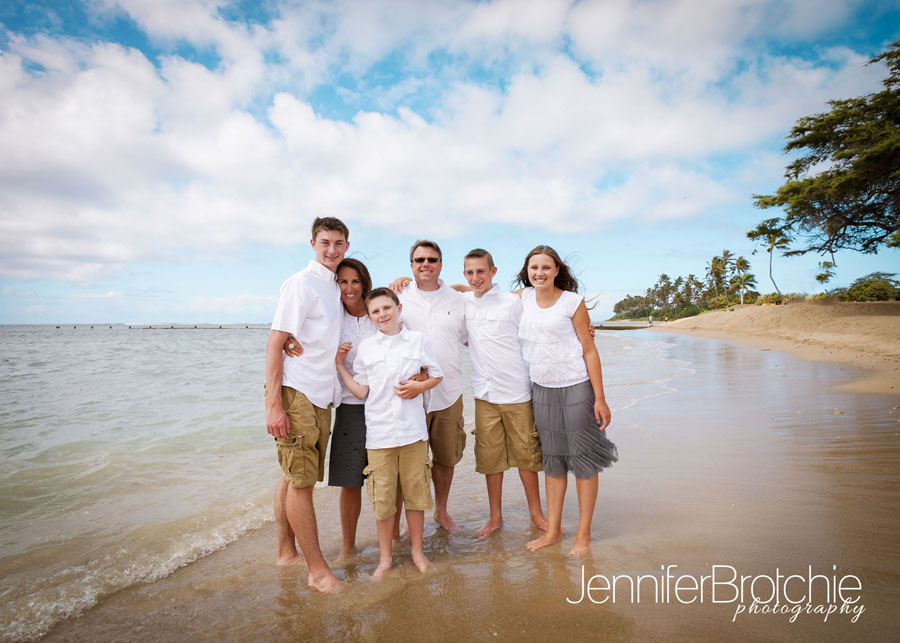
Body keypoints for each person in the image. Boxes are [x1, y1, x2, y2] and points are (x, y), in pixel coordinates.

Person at [514, 245, 618, 557]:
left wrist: (600, 398)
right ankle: (553, 531)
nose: (539, 273)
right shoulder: (522, 298)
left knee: (584, 461)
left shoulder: (572, 302)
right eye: (534, 268)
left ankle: (583, 536)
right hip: (542, 389)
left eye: (546, 267)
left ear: (557, 270)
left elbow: (589, 349)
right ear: (527, 271)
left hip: (576, 387)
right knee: (553, 462)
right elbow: (479, 294)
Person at [335, 288, 443, 579]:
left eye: (387, 308)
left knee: (416, 495)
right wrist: (338, 367)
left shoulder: (417, 340)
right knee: (383, 500)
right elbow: (361, 391)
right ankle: (384, 560)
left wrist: (419, 387)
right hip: (380, 436)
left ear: (398, 308)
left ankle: (417, 553)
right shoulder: (367, 348)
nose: (382, 314)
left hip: (413, 433)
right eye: (376, 311)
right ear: (370, 318)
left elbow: (436, 374)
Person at [264, 216, 348, 592]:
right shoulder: (301, 283)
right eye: (325, 242)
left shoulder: (331, 285)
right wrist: (273, 404)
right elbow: (275, 341)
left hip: (320, 393)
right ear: (312, 243)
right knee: (302, 483)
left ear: (346, 245)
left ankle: (285, 552)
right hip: (297, 392)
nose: (332, 250)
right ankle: (318, 573)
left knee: (292, 476)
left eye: (338, 243)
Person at [284, 258, 375, 561]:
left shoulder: (380, 310)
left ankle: (396, 539)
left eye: (355, 282)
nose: (349, 289)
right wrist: (288, 341)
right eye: (342, 282)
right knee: (350, 482)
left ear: (364, 283)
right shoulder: (333, 313)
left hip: (384, 406)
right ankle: (348, 547)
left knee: (393, 479)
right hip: (349, 408)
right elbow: (308, 331)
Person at [461, 249, 548, 538]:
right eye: (470, 273)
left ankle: (536, 515)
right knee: (490, 459)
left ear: (493, 271)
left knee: (527, 457)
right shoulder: (464, 304)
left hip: (517, 393)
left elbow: (543, 321)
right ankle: (495, 517)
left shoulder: (514, 302)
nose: (476, 278)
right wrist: (401, 280)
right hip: (484, 395)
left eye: (481, 272)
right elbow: (441, 294)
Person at [393, 240, 467, 531]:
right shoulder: (398, 295)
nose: (426, 264)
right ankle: (401, 523)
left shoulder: (457, 299)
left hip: (449, 393)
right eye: (419, 259)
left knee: (446, 458)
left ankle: (442, 512)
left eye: (432, 259)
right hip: (410, 395)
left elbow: (476, 332)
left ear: (441, 264)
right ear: (411, 265)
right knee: (408, 462)